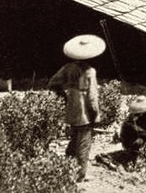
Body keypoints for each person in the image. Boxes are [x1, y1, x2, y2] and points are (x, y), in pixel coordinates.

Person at [49, 35, 104, 182]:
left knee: (74, 139)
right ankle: (80, 174)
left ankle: (66, 167)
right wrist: (96, 114)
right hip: (84, 109)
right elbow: (92, 96)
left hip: (72, 106)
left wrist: (64, 95)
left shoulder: (68, 68)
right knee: (84, 143)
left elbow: (53, 83)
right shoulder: (90, 71)